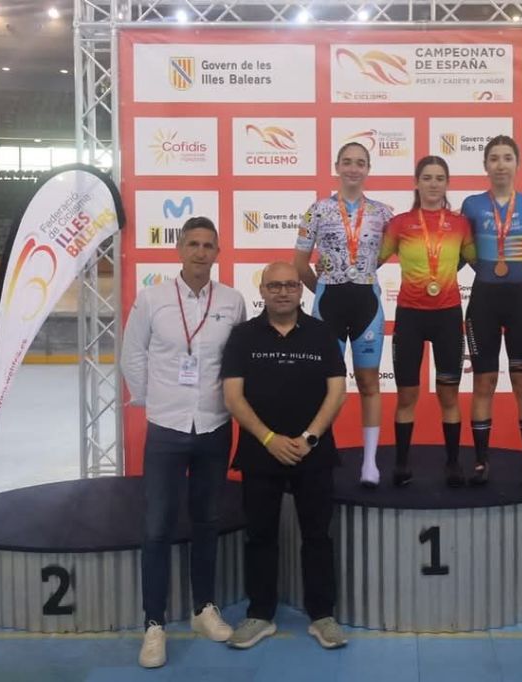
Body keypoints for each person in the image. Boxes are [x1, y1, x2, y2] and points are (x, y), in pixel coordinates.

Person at [120, 216, 247, 669]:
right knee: (157, 525)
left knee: (207, 520)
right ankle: (154, 624)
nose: (200, 252)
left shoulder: (232, 301)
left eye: (208, 245)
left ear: (217, 252)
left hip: (214, 425)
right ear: (179, 249)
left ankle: (203, 609)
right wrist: (155, 401)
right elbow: (132, 354)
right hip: (166, 427)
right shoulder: (153, 298)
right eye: (193, 244)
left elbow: (237, 360)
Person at [221, 261, 349, 650]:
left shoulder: (322, 333)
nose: (282, 292)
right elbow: (233, 396)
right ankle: (260, 615)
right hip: (260, 452)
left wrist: (309, 438)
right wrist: (268, 438)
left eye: (290, 285)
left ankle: (322, 616)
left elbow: (337, 390)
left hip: (314, 452)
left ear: (300, 290)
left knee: (317, 536)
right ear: (262, 291)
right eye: (274, 286)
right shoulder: (242, 336)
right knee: (260, 536)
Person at [294, 143, 394, 488]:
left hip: (367, 304)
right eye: (347, 162)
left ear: (368, 169)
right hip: (329, 304)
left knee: (369, 383)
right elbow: (299, 263)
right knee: (325, 385)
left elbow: (388, 253)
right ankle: (322, 455)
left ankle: (370, 463)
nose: (353, 168)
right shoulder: (317, 210)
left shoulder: (383, 213)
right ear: (336, 166)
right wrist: (322, 289)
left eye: (360, 163)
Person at [461, 135, 522, 485]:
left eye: (507, 158)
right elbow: (462, 251)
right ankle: (481, 463)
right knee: (483, 382)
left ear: (517, 164)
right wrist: (484, 270)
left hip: (521, 301)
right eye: (494, 158)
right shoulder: (472, 205)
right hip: (483, 300)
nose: (500, 165)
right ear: (485, 165)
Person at [379, 156, 477, 487]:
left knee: (449, 396)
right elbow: (372, 260)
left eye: (439, 178)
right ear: (416, 183)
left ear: (447, 183)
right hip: (410, 315)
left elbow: (479, 262)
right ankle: (401, 463)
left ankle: (453, 463)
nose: (433, 184)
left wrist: (516, 267)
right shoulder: (399, 223)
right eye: (427, 178)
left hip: (448, 315)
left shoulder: (460, 224)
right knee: (406, 395)